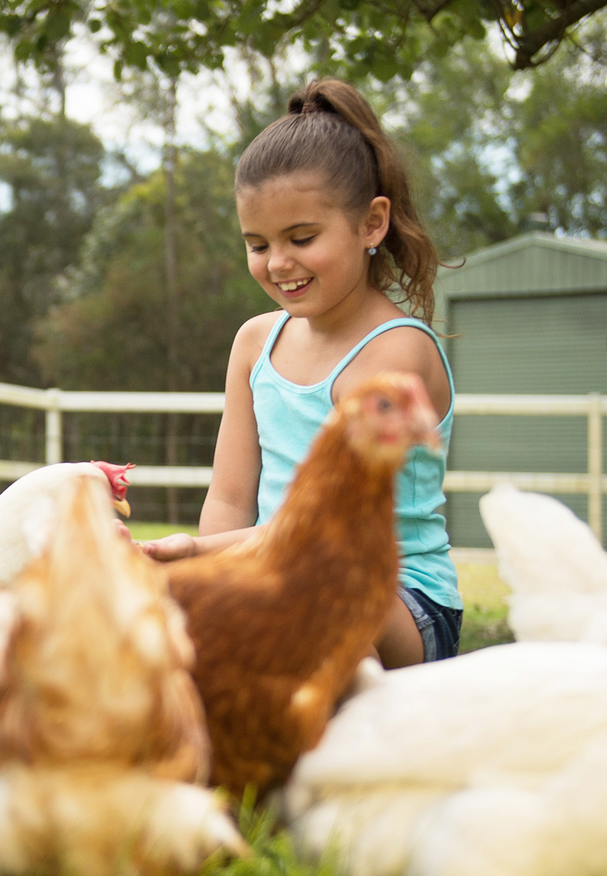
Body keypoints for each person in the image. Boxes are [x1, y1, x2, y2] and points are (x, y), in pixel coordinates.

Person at [142, 77, 460, 666]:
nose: (278, 263)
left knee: (318, 589)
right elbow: (231, 497)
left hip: (396, 602)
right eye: (258, 244)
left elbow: (331, 534)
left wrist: (199, 554)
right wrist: (207, 571)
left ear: (371, 223)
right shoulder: (254, 343)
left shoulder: (395, 351)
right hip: (276, 572)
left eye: (302, 238)